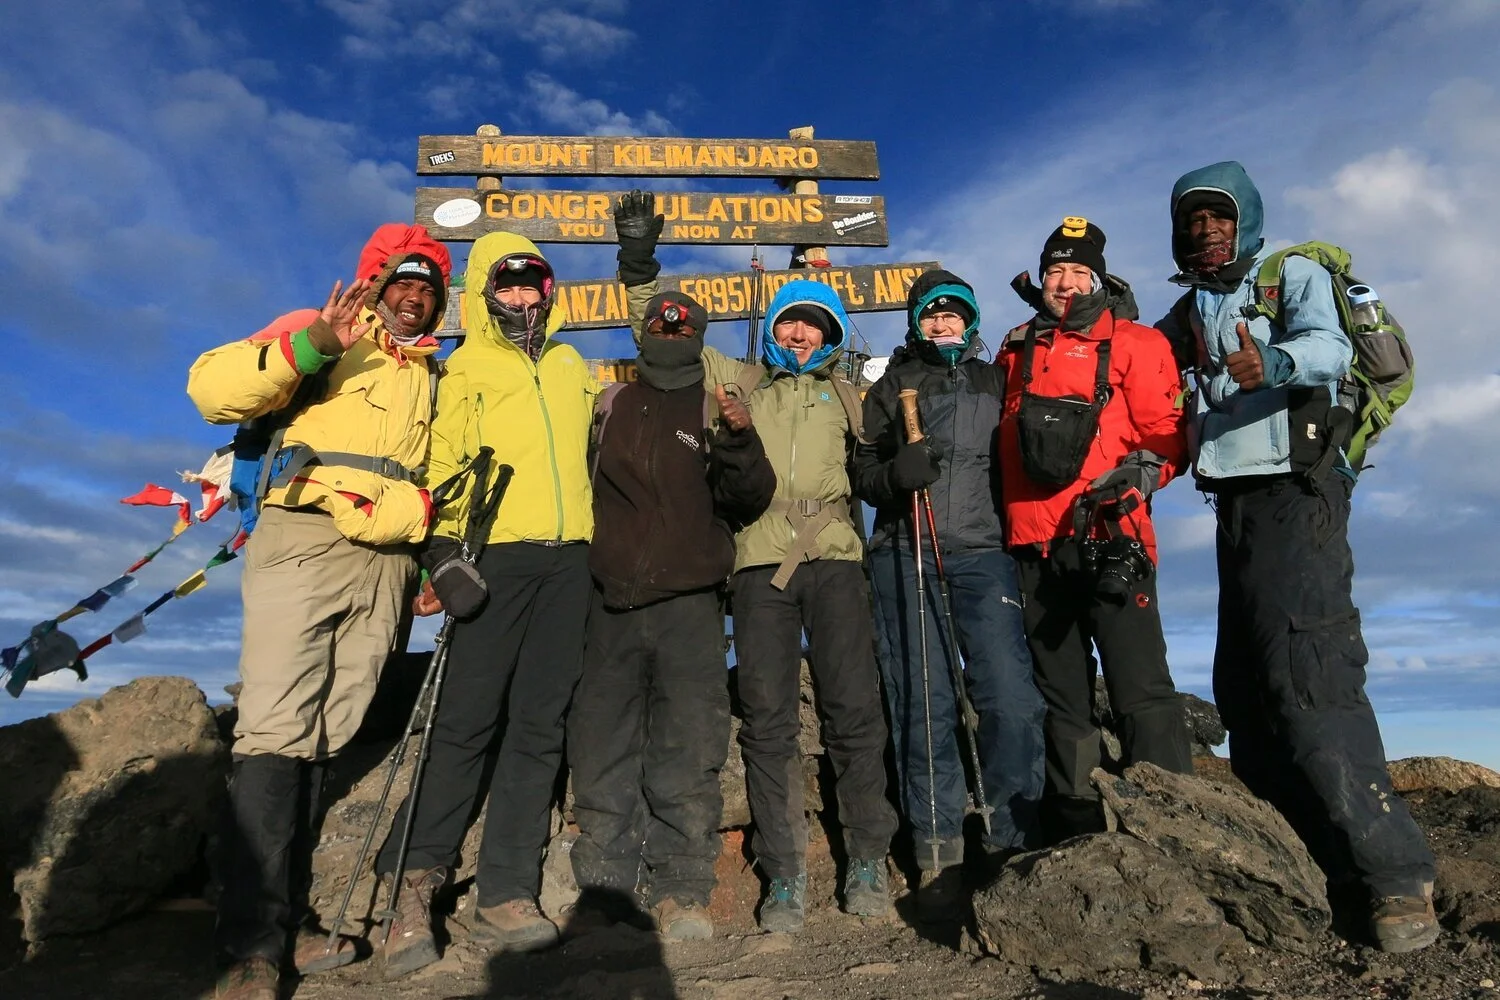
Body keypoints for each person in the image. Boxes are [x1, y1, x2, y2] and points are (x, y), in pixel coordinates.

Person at [1158, 160, 1438, 953]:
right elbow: (1151, 368)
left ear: (1245, 218)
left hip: (1300, 489)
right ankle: (1313, 865)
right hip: (1236, 501)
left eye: (1218, 217)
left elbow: (1326, 347)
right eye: (1191, 221)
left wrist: (1273, 363)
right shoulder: (1193, 307)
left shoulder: (1292, 273)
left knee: (1310, 674)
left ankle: (1396, 878)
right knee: (1245, 687)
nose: (1205, 230)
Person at [187, 223, 450, 1000]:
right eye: (403, 282)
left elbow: (426, 472)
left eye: (428, 287)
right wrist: (311, 345)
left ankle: (289, 923)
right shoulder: (322, 329)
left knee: (327, 734)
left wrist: (425, 566)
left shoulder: (431, 373)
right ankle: (251, 949)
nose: (414, 297)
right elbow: (211, 390)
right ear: (377, 283)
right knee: (275, 730)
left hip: (388, 561)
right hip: (304, 534)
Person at [374, 232, 596, 974]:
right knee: (465, 722)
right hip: (494, 557)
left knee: (539, 726)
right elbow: (440, 464)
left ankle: (505, 893)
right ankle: (411, 891)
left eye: (534, 283)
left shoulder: (570, 365)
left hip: (571, 562)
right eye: (508, 284)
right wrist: (440, 555)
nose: (523, 295)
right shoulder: (464, 366)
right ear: (483, 291)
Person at [567, 264, 777, 940]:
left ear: (699, 338)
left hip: (690, 603)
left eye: (684, 328)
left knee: (688, 748)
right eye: (661, 324)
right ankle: (604, 886)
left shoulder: (716, 407)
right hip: (610, 600)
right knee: (602, 745)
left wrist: (740, 443)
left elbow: (749, 499)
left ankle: (683, 885)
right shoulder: (610, 404)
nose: (672, 332)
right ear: (645, 334)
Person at [853, 270, 1046, 919]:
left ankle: (1010, 840)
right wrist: (893, 476)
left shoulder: (996, 380)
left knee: (1010, 699)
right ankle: (938, 848)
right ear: (916, 323)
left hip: (984, 554)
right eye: (931, 314)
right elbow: (863, 470)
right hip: (905, 553)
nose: (942, 323)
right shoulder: (892, 385)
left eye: (952, 313)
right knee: (924, 700)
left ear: (969, 321)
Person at [999, 217, 1194, 844]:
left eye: (1077, 271)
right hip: (1034, 545)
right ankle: (1077, 831)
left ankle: (1175, 828)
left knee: (1140, 688)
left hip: (1114, 538)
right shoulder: (1015, 348)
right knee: (1063, 696)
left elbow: (1169, 435)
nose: (1064, 282)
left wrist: (1140, 476)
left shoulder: (1139, 343)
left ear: (1099, 279)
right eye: (1054, 270)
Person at [725, 279, 899, 933]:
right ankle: (784, 874)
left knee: (853, 709)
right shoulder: (745, 390)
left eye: (814, 325)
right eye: (789, 323)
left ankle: (868, 859)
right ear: (773, 329)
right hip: (759, 562)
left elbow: (873, 469)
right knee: (767, 720)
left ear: (830, 336)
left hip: (834, 558)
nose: (800, 335)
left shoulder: (849, 397)